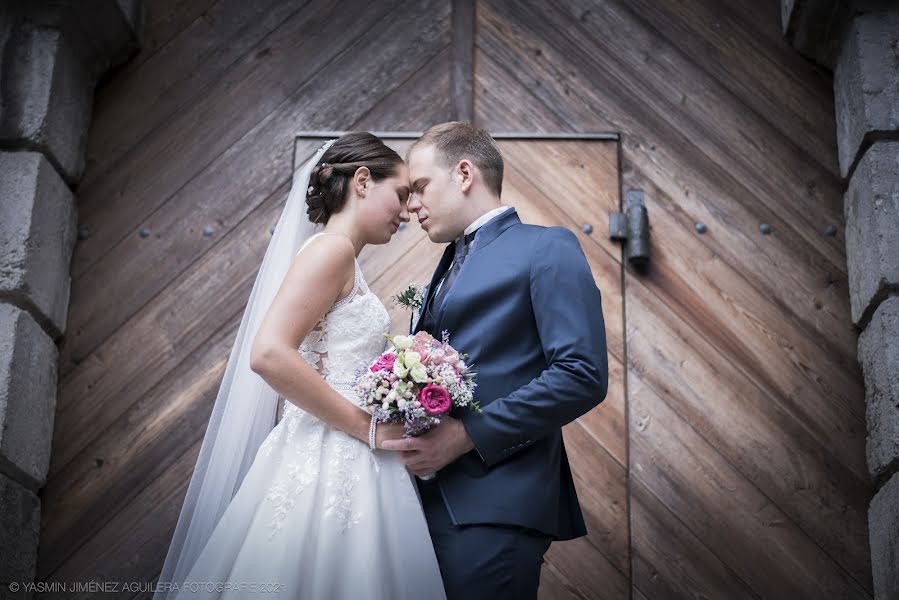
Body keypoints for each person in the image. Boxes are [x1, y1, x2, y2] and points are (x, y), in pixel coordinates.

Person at [153, 133, 447, 599]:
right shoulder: (331, 251)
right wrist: (367, 428)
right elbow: (269, 353)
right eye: (401, 193)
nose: (408, 210)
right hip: (333, 450)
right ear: (364, 182)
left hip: (343, 449)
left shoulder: (340, 255)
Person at [381, 122, 610, 600]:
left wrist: (467, 436)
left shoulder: (546, 247)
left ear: (464, 173)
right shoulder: (447, 262)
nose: (411, 205)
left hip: (496, 505)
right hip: (425, 506)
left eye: (420, 187)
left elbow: (581, 375)